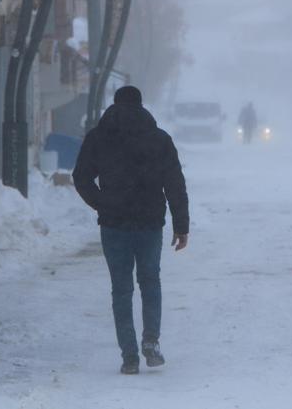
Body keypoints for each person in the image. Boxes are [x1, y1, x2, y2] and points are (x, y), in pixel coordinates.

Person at [73, 86, 190, 375]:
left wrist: (101, 203)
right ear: (141, 105)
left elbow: (80, 177)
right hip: (150, 222)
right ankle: (151, 340)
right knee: (150, 282)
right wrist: (181, 225)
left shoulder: (98, 138)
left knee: (121, 289)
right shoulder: (159, 139)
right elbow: (175, 183)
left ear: (115, 104)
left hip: (114, 225)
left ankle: (129, 357)